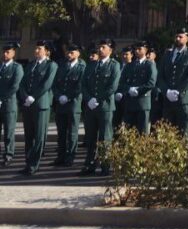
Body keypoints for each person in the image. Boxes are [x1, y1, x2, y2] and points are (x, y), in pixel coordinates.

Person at [80, 38, 121, 176]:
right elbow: (84, 84)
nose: (100, 49)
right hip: (91, 107)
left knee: (105, 137)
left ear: (110, 50)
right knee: (90, 137)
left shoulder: (114, 65)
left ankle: (105, 166)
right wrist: (89, 99)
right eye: (100, 47)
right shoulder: (91, 65)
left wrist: (97, 99)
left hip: (105, 107)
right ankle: (89, 164)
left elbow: (112, 87)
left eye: (103, 47)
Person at [19, 39, 58, 175]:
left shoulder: (51, 65)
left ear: (47, 51)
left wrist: (33, 97)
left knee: (39, 136)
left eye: (39, 49)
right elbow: (22, 83)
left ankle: (34, 164)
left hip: (41, 104)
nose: (36, 51)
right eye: (36, 49)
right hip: (28, 104)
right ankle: (28, 163)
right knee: (29, 136)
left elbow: (46, 84)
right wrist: (25, 97)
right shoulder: (30, 65)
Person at [157, 27, 188, 139]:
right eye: (176, 36)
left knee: (183, 133)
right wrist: (166, 91)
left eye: (180, 37)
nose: (177, 39)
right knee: (167, 133)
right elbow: (161, 76)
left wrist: (177, 91)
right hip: (168, 100)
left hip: (184, 99)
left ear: (187, 38)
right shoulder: (168, 54)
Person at [52, 42, 86, 167]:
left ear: (78, 53)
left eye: (72, 52)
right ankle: (60, 156)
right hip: (61, 104)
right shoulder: (62, 66)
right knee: (61, 132)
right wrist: (59, 96)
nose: (69, 54)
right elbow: (55, 84)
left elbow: (80, 86)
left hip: (73, 104)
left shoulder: (82, 67)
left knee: (72, 132)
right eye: (68, 52)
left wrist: (68, 96)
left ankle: (70, 157)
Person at [122, 40, 158, 135]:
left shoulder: (149, 65)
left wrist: (138, 90)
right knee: (130, 133)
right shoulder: (129, 65)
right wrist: (129, 89)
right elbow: (121, 82)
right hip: (130, 102)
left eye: (139, 49)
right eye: (135, 49)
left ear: (145, 50)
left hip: (143, 102)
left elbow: (151, 82)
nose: (137, 51)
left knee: (142, 132)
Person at [0, 41, 23, 167]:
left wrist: (1, 99)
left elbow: (15, 86)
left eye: (8, 52)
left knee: (9, 131)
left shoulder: (17, 68)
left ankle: (8, 154)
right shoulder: (0, 66)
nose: (5, 54)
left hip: (9, 105)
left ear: (13, 53)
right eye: (4, 51)